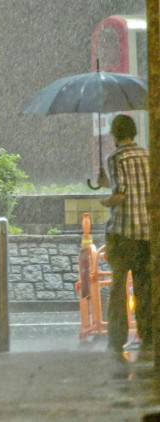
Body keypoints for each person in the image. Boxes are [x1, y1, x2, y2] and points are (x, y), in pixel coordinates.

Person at [97, 114, 151, 357]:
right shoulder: (148, 156)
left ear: (115, 134)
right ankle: (149, 337)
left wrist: (104, 198)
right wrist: (110, 182)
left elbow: (121, 195)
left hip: (122, 234)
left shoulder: (116, 157)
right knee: (144, 287)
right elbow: (139, 189)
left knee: (118, 287)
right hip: (146, 235)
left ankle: (117, 339)